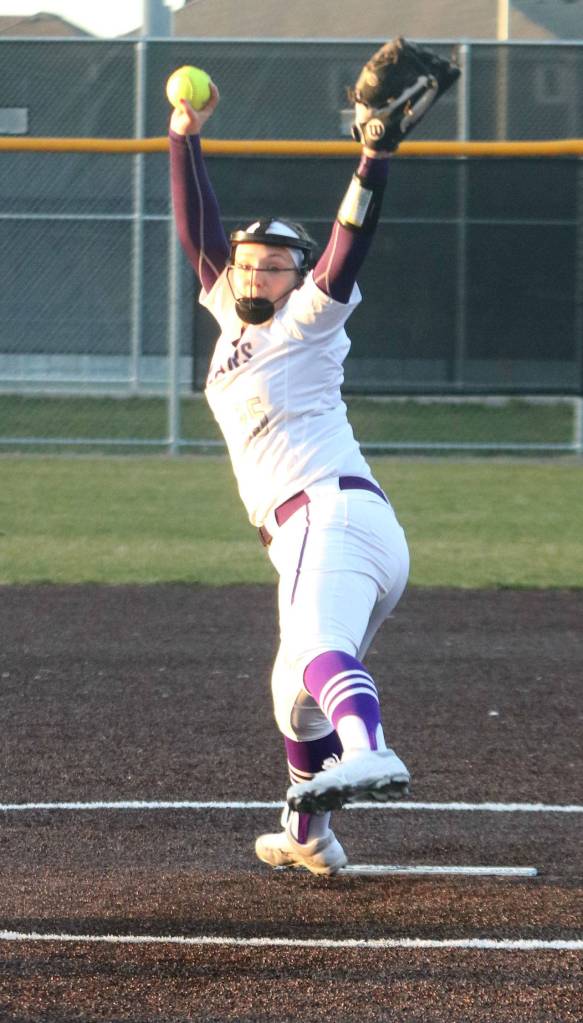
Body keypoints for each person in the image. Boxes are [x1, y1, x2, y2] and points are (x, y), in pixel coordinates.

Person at [168, 41, 459, 875]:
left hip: (324, 517)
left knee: (311, 656)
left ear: (298, 278)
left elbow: (345, 244)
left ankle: (368, 747)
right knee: (293, 703)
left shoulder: (306, 319)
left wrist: (372, 155)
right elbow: (197, 233)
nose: (257, 269)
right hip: (344, 528)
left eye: (277, 263)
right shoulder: (233, 320)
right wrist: (182, 135)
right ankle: (309, 837)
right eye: (250, 260)